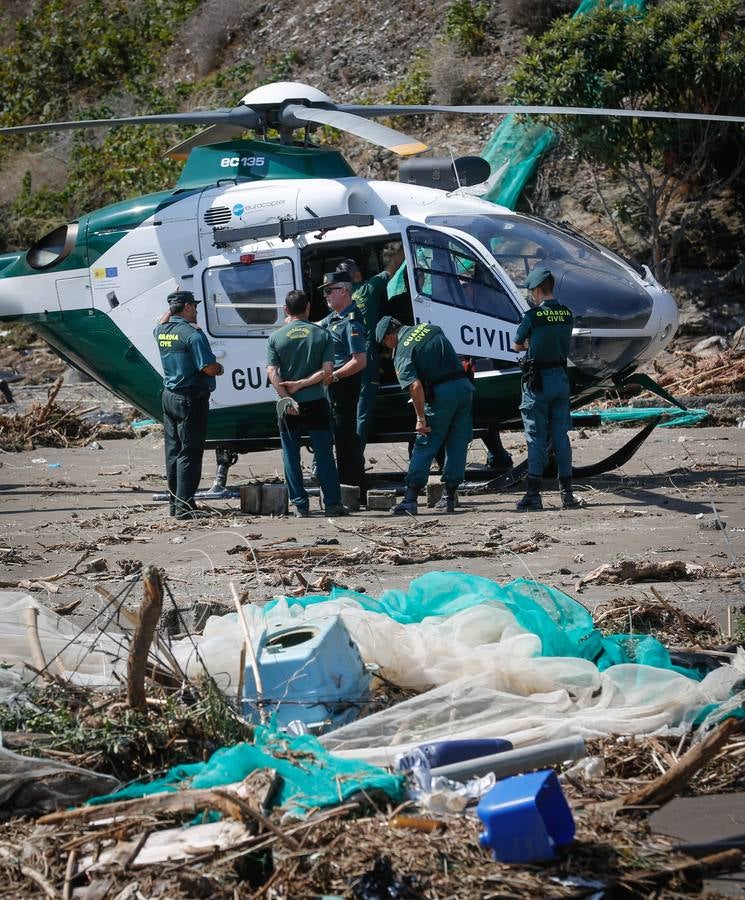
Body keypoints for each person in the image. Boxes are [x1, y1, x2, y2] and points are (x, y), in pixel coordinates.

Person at [376, 315, 474, 515]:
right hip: (464, 389)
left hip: (442, 395)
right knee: (457, 442)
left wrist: (420, 418)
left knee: (426, 440)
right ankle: (449, 498)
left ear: (389, 336)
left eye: (385, 343)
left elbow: (415, 385)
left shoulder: (403, 350)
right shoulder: (431, 328)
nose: (387, 347)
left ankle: (410, 499)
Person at [266, 290, 348, 518]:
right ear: (308, 308)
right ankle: (332, 503)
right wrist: (302, 384)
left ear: (286, 310)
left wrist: (286, 396)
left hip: (287, 405)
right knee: (323, 453)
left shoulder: (276, 337)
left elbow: (272, 371)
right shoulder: (321, 334)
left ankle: (300, 505)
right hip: (316, 401)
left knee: (290, 454)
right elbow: (328, 371)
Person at [513, 265, 580, 511]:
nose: (531, 296)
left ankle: (533, 493)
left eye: (532, 292)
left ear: (538, 291)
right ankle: (568, 494)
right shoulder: (567, 314)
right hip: (560, 379)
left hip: (538, 381)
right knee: (561, 437)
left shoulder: (532, 317)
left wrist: (530, 343)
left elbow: (517, 345)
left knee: (536, 437)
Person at [154, 290, 224, 519]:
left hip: (169, 396)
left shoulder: (162, 331)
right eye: (193, 306)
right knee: (190, 452)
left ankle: (175, 505)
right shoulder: (192, 335)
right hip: (190, 399)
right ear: (185, 307)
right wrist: (219, 369)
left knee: (173, 451)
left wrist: (171, 302)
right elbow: (208, 367)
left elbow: (161, 321)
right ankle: (185, 507)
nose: (196, 310)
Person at [337, 243, 405, 447]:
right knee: (362, 409)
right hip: (365, 355)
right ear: (357, 274)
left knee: (343, 409)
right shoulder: (369, 289)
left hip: (343, 357)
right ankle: (355, 457)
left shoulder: (338, 299)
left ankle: (339, 458)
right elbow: (392, 268)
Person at [318, 271, 368, 502]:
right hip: (333, 385)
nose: (326, 296)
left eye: (329, 290)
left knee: (346, 439)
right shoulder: (334, 318)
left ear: (344, 291)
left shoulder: (351, 322)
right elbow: (316, 326)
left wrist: (334, 376)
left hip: (343, 385)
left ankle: (354, 489)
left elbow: (359, 361)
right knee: (339, 438)